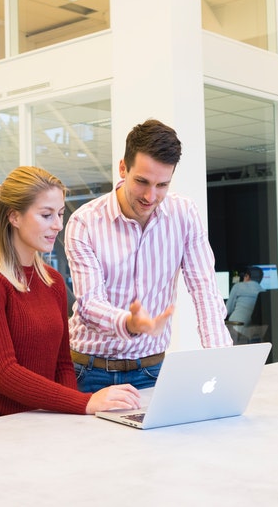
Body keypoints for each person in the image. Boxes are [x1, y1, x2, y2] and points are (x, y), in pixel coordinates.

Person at [0, 166, 141, 427]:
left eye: (60, 214)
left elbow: (63, 365)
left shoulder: (52, 281)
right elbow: (2, 374)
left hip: (32, 416)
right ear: (14, 216)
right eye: (46, 215)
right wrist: (84, 402)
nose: (58, 225)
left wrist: (73, 415)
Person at [65, 119, 233, 393]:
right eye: (141, 182)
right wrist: (128, 323)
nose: (150, 196)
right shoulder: (84, 222)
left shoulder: (184, 214)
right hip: (87, 371)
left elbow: (205, 290)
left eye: (162, 185)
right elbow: (89, 305)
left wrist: (221, 361)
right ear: (123, 168)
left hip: (151, 369)